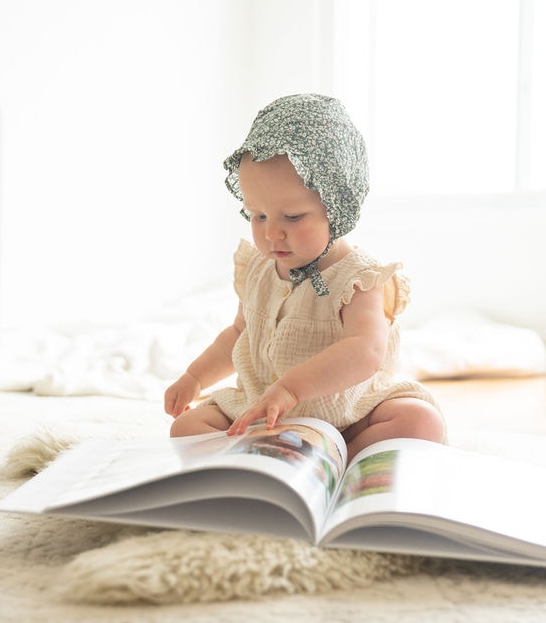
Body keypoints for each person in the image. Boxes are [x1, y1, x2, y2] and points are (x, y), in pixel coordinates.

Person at [164, 94, 446, 460]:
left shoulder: (360, 278)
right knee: (185, 429)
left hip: (350, 413)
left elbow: (365, 351)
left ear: (338, 205)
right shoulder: (258, 270)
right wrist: (195, 377)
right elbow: (238, 333)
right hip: (266, 411)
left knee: (421, 421)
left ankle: (344, 459)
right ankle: (271, 460)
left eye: (293, 217)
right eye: (258, 216)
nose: (272, 234)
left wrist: (293, 389)